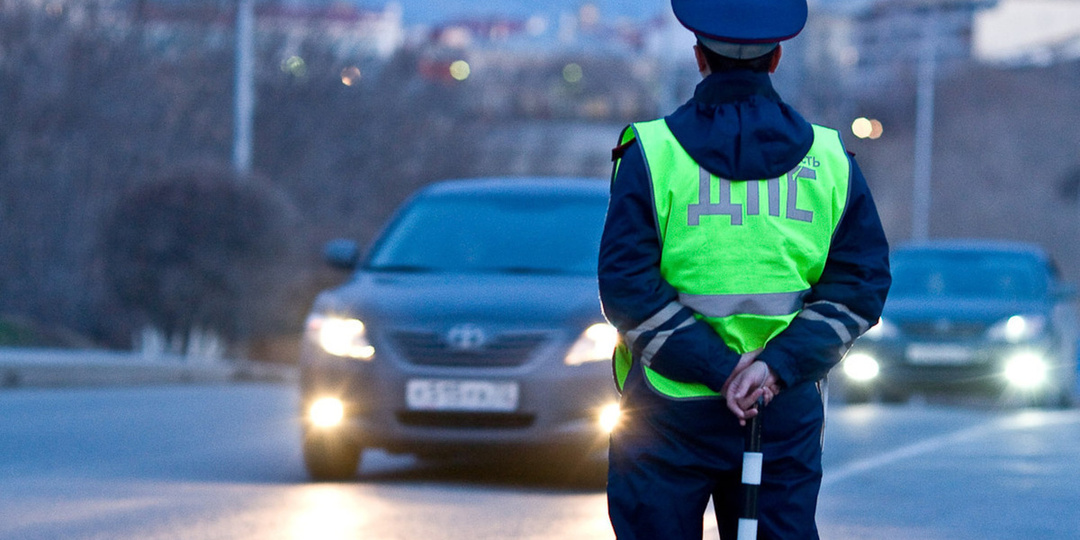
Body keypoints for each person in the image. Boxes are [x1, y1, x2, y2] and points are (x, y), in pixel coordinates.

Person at [597, 0, 892, 538]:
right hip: (780, 411)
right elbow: (860, 287)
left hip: (666, 412)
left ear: (697, 57)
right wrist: (771, 368)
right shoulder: (830, 159)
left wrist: (719, 368)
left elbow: (626, 288)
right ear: (777, 58)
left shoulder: (650, 152)